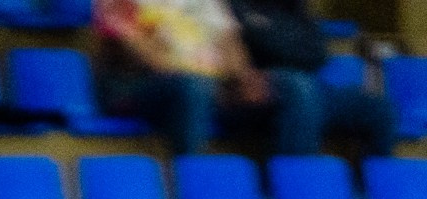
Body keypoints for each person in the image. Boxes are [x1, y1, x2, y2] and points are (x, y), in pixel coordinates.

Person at [93, 0, 282, 157]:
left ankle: (294, 189)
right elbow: (148, 58)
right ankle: (193, 182)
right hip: (139, 85)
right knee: (194, 87)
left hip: (208, 82)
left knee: (292, 87)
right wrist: (209, 77)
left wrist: (242, 77)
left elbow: (229, 40)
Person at [231, 0, 395, 157]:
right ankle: (298, 180)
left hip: (308, 83)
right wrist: (287, 42)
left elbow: (318, 52)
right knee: (300, 89)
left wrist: (271, 37)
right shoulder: (239, 6)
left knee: (377, 106)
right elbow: (258, 43)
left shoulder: (294, 5)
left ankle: (374, 182)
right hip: (254, 88)